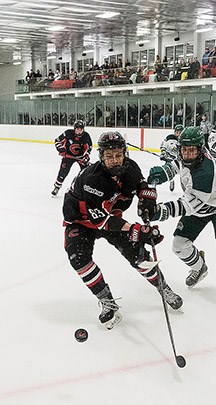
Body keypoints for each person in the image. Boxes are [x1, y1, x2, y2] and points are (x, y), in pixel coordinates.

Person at [62, 131, 183, 329]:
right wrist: (137, 230)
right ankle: (107, 301)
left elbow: (143, 186)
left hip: (110, 217)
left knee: (139, 255)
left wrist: (147, 200)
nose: (114, 160)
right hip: (81, 221)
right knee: (79, 259)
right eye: (109, 156)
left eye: (118, 155)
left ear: (125, 153)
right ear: (101, 156)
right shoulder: (93, 180)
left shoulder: (131, 168)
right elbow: (102, 221)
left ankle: (164, 288)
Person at [147, 127, 216, 306]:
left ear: (200, 149)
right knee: (179, 246)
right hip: (198, 204)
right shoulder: (187, 155)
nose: (187, 154)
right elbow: (175, 165)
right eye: (184, 149)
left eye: (192, 150)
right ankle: (199, 267)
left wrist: (160, 211)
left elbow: (187, 205)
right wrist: (162, 174)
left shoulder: (205, 171)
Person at [51, 120, 92, 197]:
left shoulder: (86, 136)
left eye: (81, 129)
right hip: (68, 156)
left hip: (81, 157)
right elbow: (57, 141)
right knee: (63, 172)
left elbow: (89, 147)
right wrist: (61, 149)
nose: (79, 131)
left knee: (86, 173)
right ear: (74, 128)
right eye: (78, 129)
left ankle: (86, 189)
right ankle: (57, 187)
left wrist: (86, 156)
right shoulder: (68, 133)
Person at [160, 124, 184, 192]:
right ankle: (171, 181)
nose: (178, 134)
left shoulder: (184, 139)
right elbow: (163, 145)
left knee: (183, 173)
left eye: (180, 132)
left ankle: (184, 184)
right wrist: (163, 153)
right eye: (177, 132)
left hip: (179, 159)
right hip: (169, 157)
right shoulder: (169, 137)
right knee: (169, 171)